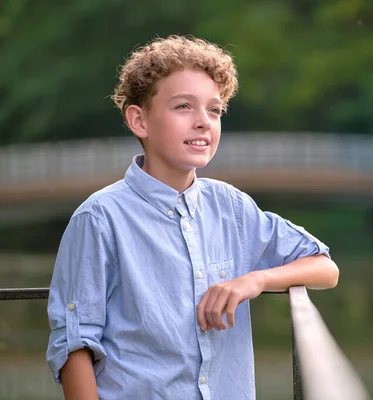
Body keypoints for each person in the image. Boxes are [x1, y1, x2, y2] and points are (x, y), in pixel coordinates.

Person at [46, 35, 339, 400]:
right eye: (184, 107)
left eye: (214, 110)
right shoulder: (99, 218)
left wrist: (255, 280)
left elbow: (325, 268)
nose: (204, 122)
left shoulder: (231, 207)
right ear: (139, 120)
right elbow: (75, 345)